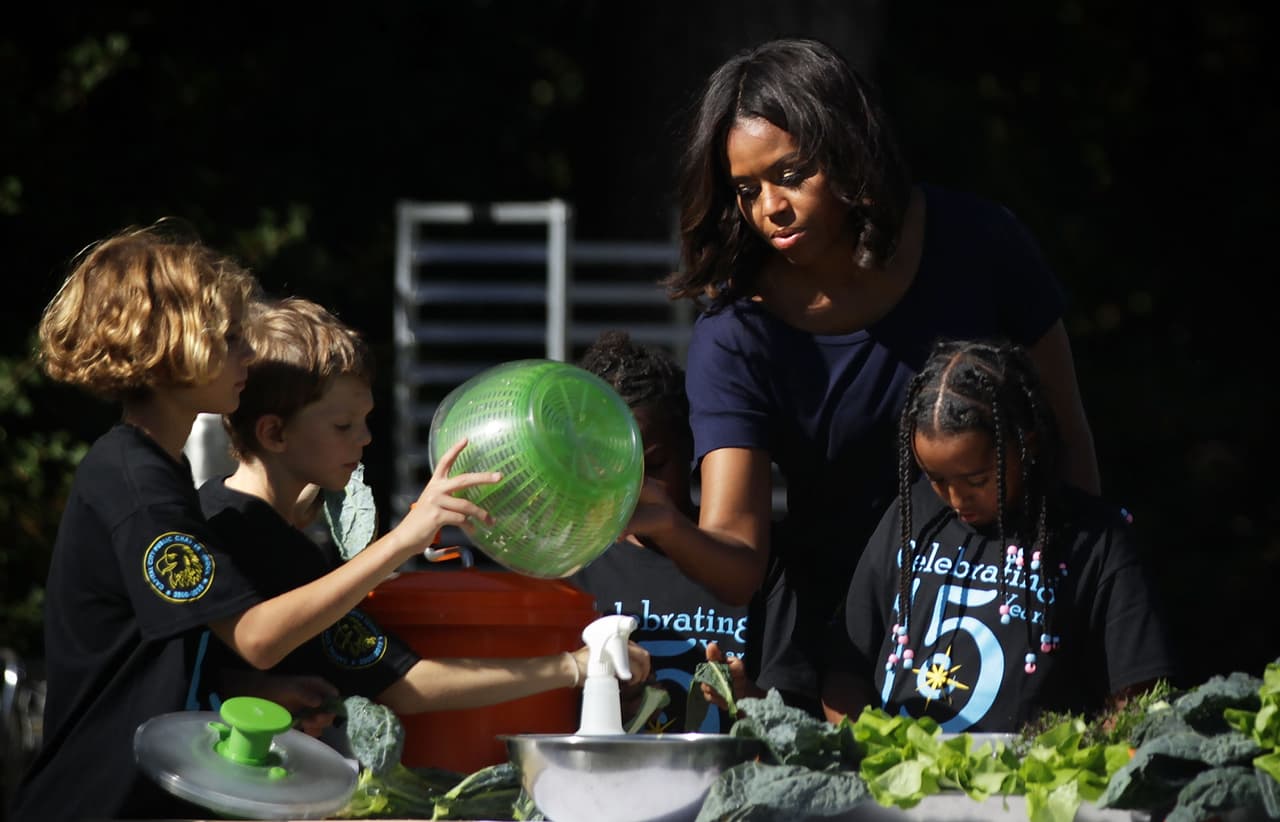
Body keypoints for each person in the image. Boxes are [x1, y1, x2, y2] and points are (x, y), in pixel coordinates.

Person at [642, 36, 1102, 711]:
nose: (771, 206)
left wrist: (1084, 596)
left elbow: (1069, 445)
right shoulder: (738, 333)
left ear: (849, 148)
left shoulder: (981, 242)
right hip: (844, 650)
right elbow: (737, 561)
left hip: (1009, 608)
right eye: (747, 189)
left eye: (792, 172)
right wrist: (657, 519)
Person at [8, 226, 500, 821]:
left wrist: (247, 692)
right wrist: (403, 539)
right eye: (231, 337)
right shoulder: (138, 488)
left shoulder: (157, 471)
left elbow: (154, 658)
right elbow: (257, 637)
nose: (247, 354)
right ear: (176, 347)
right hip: (99, 801)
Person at [198, 299, 649, 733]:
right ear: (274, 432)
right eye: (343, 426)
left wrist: (574, 666)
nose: (365, 438)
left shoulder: (289, 546)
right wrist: (401, 542)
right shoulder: (215, 529)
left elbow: (396, 681)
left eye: (366, 420)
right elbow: (392, 683)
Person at [821, 338, 1175, 731]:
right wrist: (865, 750)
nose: (956, 498)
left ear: (1027, 441)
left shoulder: (1096, 539)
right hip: (897, 783)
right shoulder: (912, 512)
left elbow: (1140, 697)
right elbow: (845, 669)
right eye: (936, 479)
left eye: (977, 479)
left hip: (1033, 787)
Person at [569, 330, 749, 732]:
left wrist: (748, 699)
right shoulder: (572, 573)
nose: (635, 492)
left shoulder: (753, 564)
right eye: (610, 473)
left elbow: (802, 708)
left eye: (654, 466)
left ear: (693, 448)